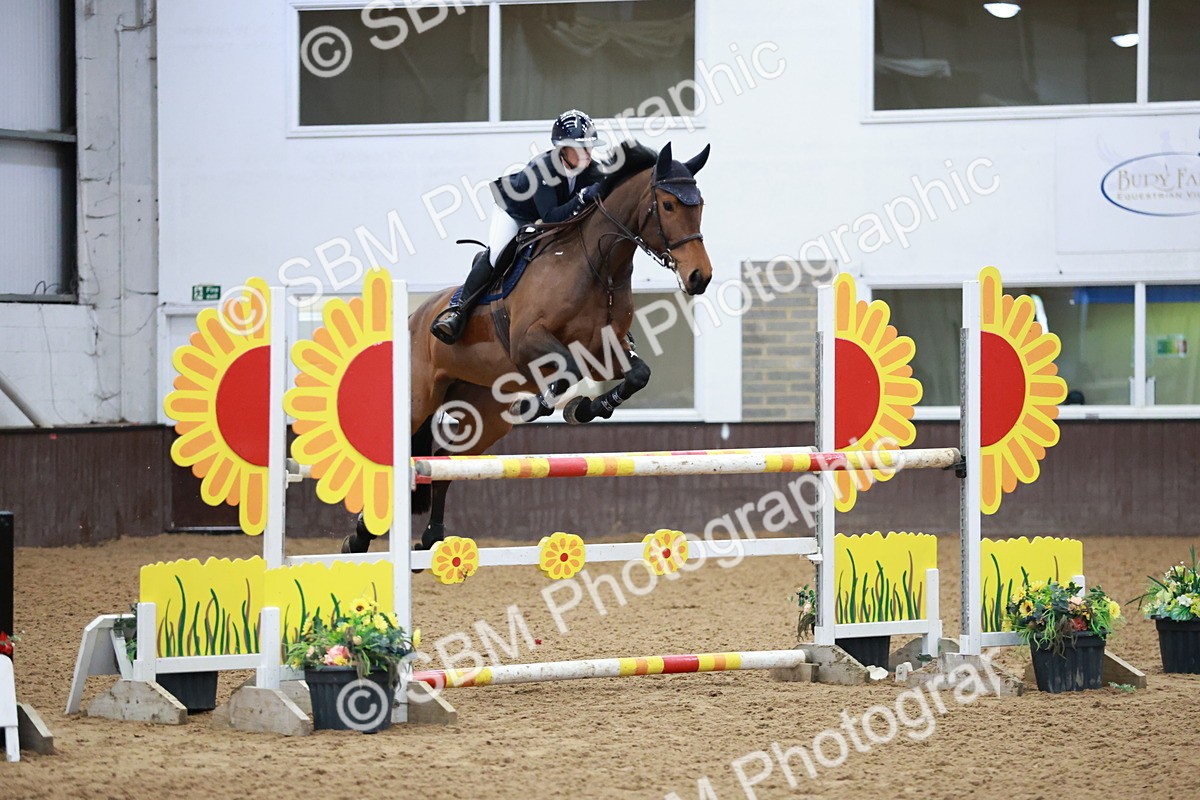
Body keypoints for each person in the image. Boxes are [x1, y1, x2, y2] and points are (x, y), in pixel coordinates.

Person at [430, 109, 607, 345]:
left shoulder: (592, 170)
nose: (587, 154)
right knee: (498, 255)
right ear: (563, 149)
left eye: (589, 148)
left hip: (547, 220)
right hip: (515, 213)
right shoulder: (542, 169)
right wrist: (583, 197)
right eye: (580, 148)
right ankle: (457, 310)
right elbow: (551, 216)